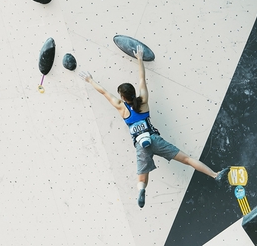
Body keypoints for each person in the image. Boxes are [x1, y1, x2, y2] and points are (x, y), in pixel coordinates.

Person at [79, 45, 229, 208]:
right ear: (133, 93)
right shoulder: (143, 101)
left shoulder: (120, 106)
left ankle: (142, 190)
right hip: (154, 139)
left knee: (143, 176)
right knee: (187, 159)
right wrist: (139, 59)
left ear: (122, 97)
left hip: (141, 146)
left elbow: (103, 92)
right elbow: (142, 79)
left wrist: (90, 79)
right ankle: (215, 175)